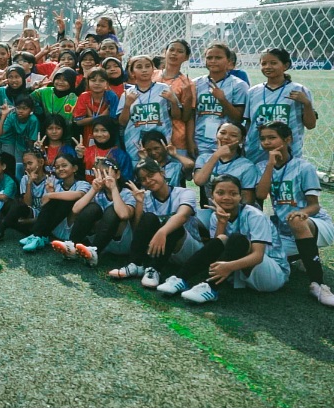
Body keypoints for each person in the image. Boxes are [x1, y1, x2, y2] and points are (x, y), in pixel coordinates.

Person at [154, 175, 289, 303]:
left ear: (240, 196)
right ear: (212, 195)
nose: (226, 197)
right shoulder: (216, 216)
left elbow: (258, 256)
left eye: (233, 193)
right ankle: (180, 279)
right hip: (240, 271)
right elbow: (216, 250)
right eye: (220, 193)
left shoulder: (255, 215)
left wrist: (229, 266)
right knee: (222, 238)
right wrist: (222, 223)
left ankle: (211, 288)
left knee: (237, 239)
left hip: (272, 274)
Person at [254, 122, 334, 307]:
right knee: (262, 253)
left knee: (296, 220)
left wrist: (301, 213)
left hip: (315, 224)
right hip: (285, 230)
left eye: (272, 137)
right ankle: (304, 254)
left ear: (287, 139)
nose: (267, 142)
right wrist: (270, 165)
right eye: (263, 139)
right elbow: (261, 195)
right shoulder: (261, 167)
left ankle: (318, 285)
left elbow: (314, 206)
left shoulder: (304, 167)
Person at [109, 158, 201, 289]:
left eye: (151, 175)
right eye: (143, 179)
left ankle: (154, 269)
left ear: (162, 173)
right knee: (149, 217)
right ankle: (136, 265)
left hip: (186, 250)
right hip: (159, 249)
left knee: (173, 223)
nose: (148, 180)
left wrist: (162, 231)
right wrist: (139, 203)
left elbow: (182, 216)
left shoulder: (185, 193)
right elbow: (138, 230)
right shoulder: (145, 196)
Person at [244, 48, 316, 163]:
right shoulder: (253, 92)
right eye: (264, 63)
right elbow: (248, 123)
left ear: (285, 65)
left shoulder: (299, 90)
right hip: (256, 151)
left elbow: (311, 125)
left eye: (273, 63)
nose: (268, 67)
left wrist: (307, 104)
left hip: (288, 151)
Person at [192, 43, 248, 158]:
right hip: (200, 141)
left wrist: (222, 100)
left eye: (218, 58)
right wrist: (190, 141)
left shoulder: (238, 85)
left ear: (229, 61)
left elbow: (238, 118)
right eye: (209, 58)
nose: (213, 61)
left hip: (226, 141)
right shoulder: (196, 83)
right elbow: (191, 117)